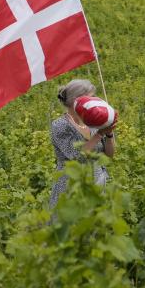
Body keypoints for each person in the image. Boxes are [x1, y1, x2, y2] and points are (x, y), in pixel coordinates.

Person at [49, 78, 115, 208]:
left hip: (97, 184)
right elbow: (78, 156)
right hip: (72, 186)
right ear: (76, 100)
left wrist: (109, 133)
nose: (93, 101)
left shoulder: (94, 121)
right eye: (90, 98)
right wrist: (100, 134)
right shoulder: (60, 125)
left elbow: (109, 155)